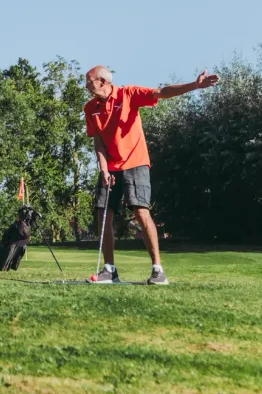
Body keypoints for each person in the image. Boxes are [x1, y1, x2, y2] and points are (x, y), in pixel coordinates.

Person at [84, 66, 219, 285]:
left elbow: (162, 92)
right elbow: (98, 140)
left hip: (135, 162)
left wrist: (195, 85)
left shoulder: (129, 94)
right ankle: (109, 271)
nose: (87, 86)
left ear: (103, 81)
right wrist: (104, 169)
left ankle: (158, 270)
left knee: (140, 211)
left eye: (89, 82)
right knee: (103, 213)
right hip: (110, 166)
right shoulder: (90, 108)